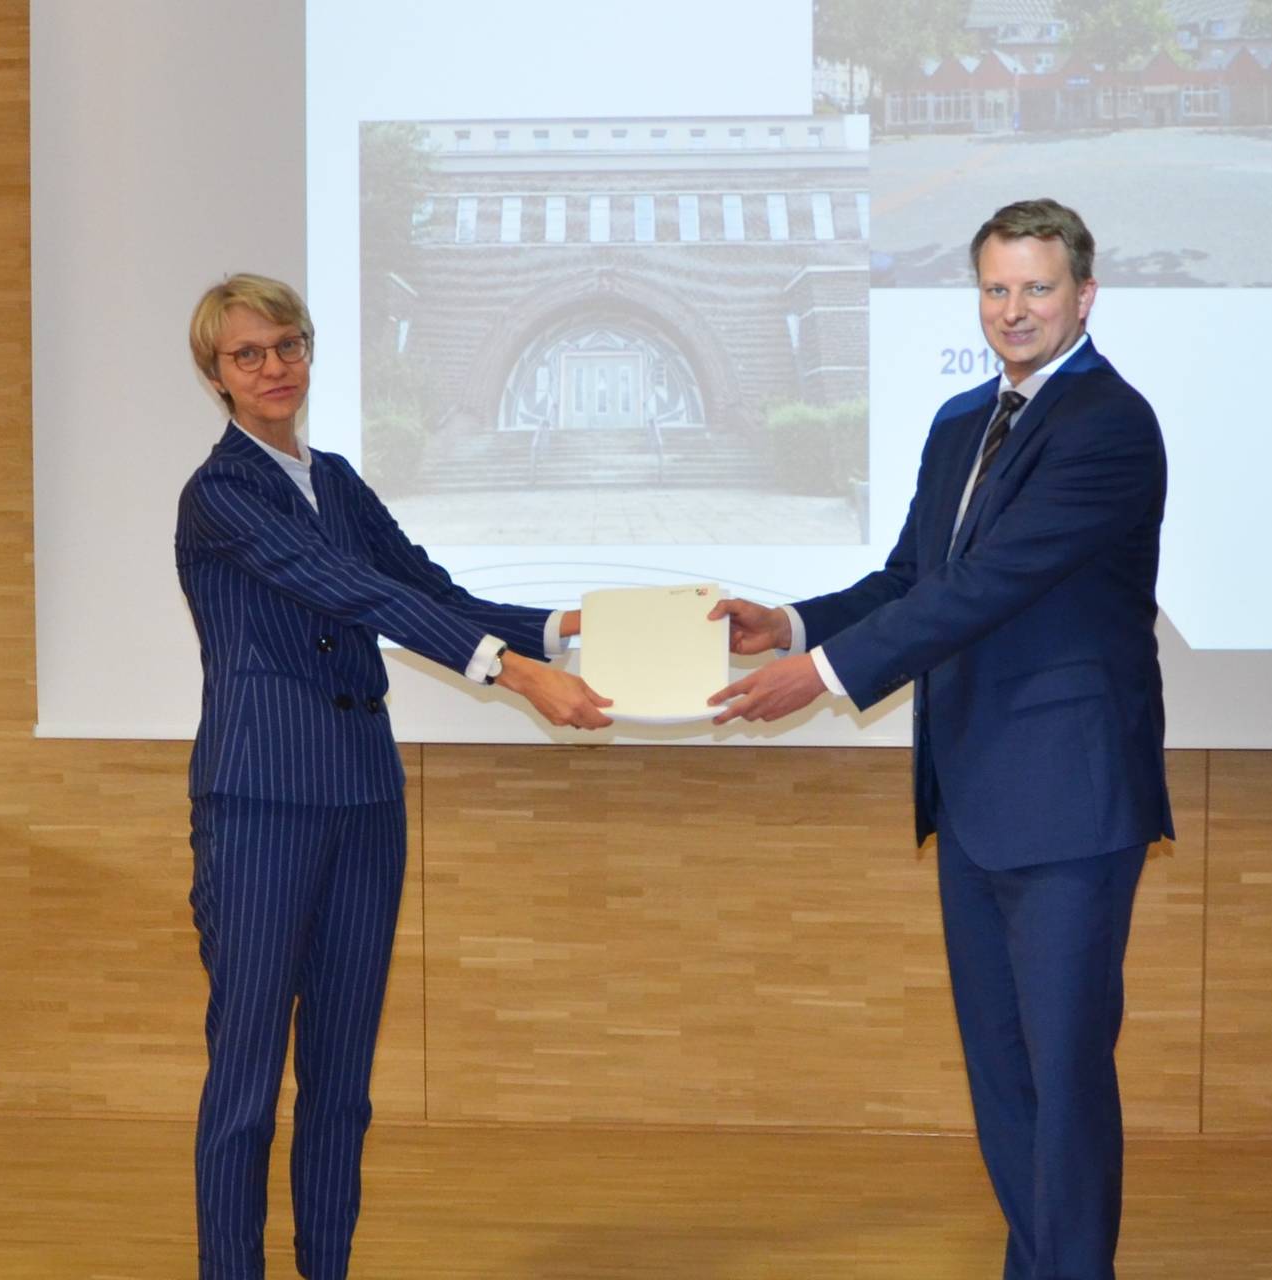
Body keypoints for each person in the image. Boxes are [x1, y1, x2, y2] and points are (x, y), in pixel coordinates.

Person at [709, 198, 1170, 1280]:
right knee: (1002, 1072)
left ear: (1084, 295)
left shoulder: (1108, 423)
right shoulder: (965, 419)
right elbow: (916, 578)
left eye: (1037, 288)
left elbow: (993, 586)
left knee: (1061, 1070)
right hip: (969, 791)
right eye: (997, 289)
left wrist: (821, 676)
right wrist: (797, 622)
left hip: (1066, 795)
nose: (1014, 310)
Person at [174, 273, 611, 1278]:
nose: (274, 367)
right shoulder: (221, 494)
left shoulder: (336, 479)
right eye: (249, 354)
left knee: (343, 1080)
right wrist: (511, 669)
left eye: (287, 344)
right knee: (245, 1080)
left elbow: (425, 588)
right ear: (217, 377)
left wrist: (559, 629)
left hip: (366, 798)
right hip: (259, 803)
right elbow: (348, 587)